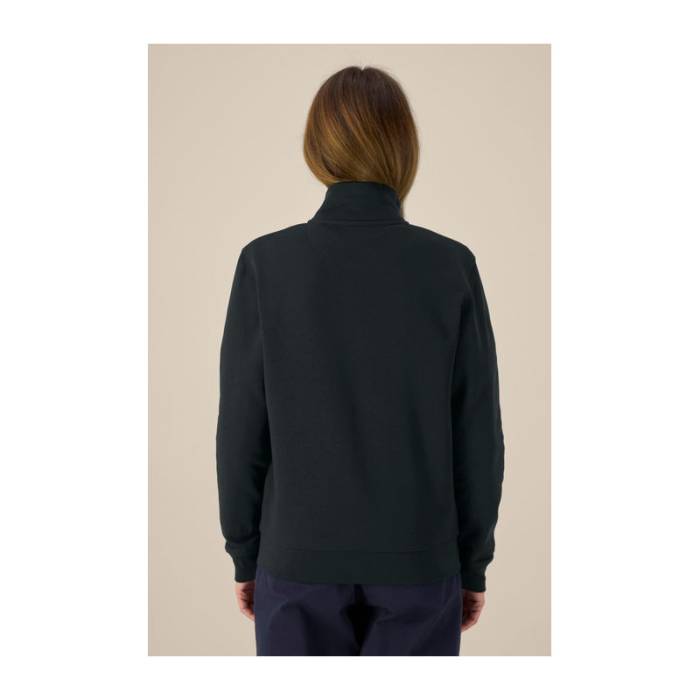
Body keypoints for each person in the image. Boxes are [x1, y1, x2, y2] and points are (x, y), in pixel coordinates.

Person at [216, 65, 504, 656]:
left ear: (318, 148)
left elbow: (241, 427)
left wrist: (246, 552)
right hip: (419, 563)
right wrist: (472, 562)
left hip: (296, 562)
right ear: (403, 148)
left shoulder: (266, 265)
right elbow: (477, 432)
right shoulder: (450, 267)